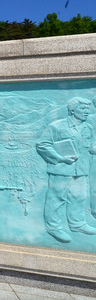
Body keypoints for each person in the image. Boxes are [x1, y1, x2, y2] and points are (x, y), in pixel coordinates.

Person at [36, 97, 96, 243]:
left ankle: (77, 224)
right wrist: (60, 158)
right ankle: (53, 227)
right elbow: (42, 145)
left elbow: (90, 147)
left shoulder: (88, 127)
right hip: (61, 169)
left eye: (88, 109)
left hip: (81, 169)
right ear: (72, 110)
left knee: (79, 197)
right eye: (83, 109)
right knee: (56, 198)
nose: (86, 112)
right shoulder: (56, 126)